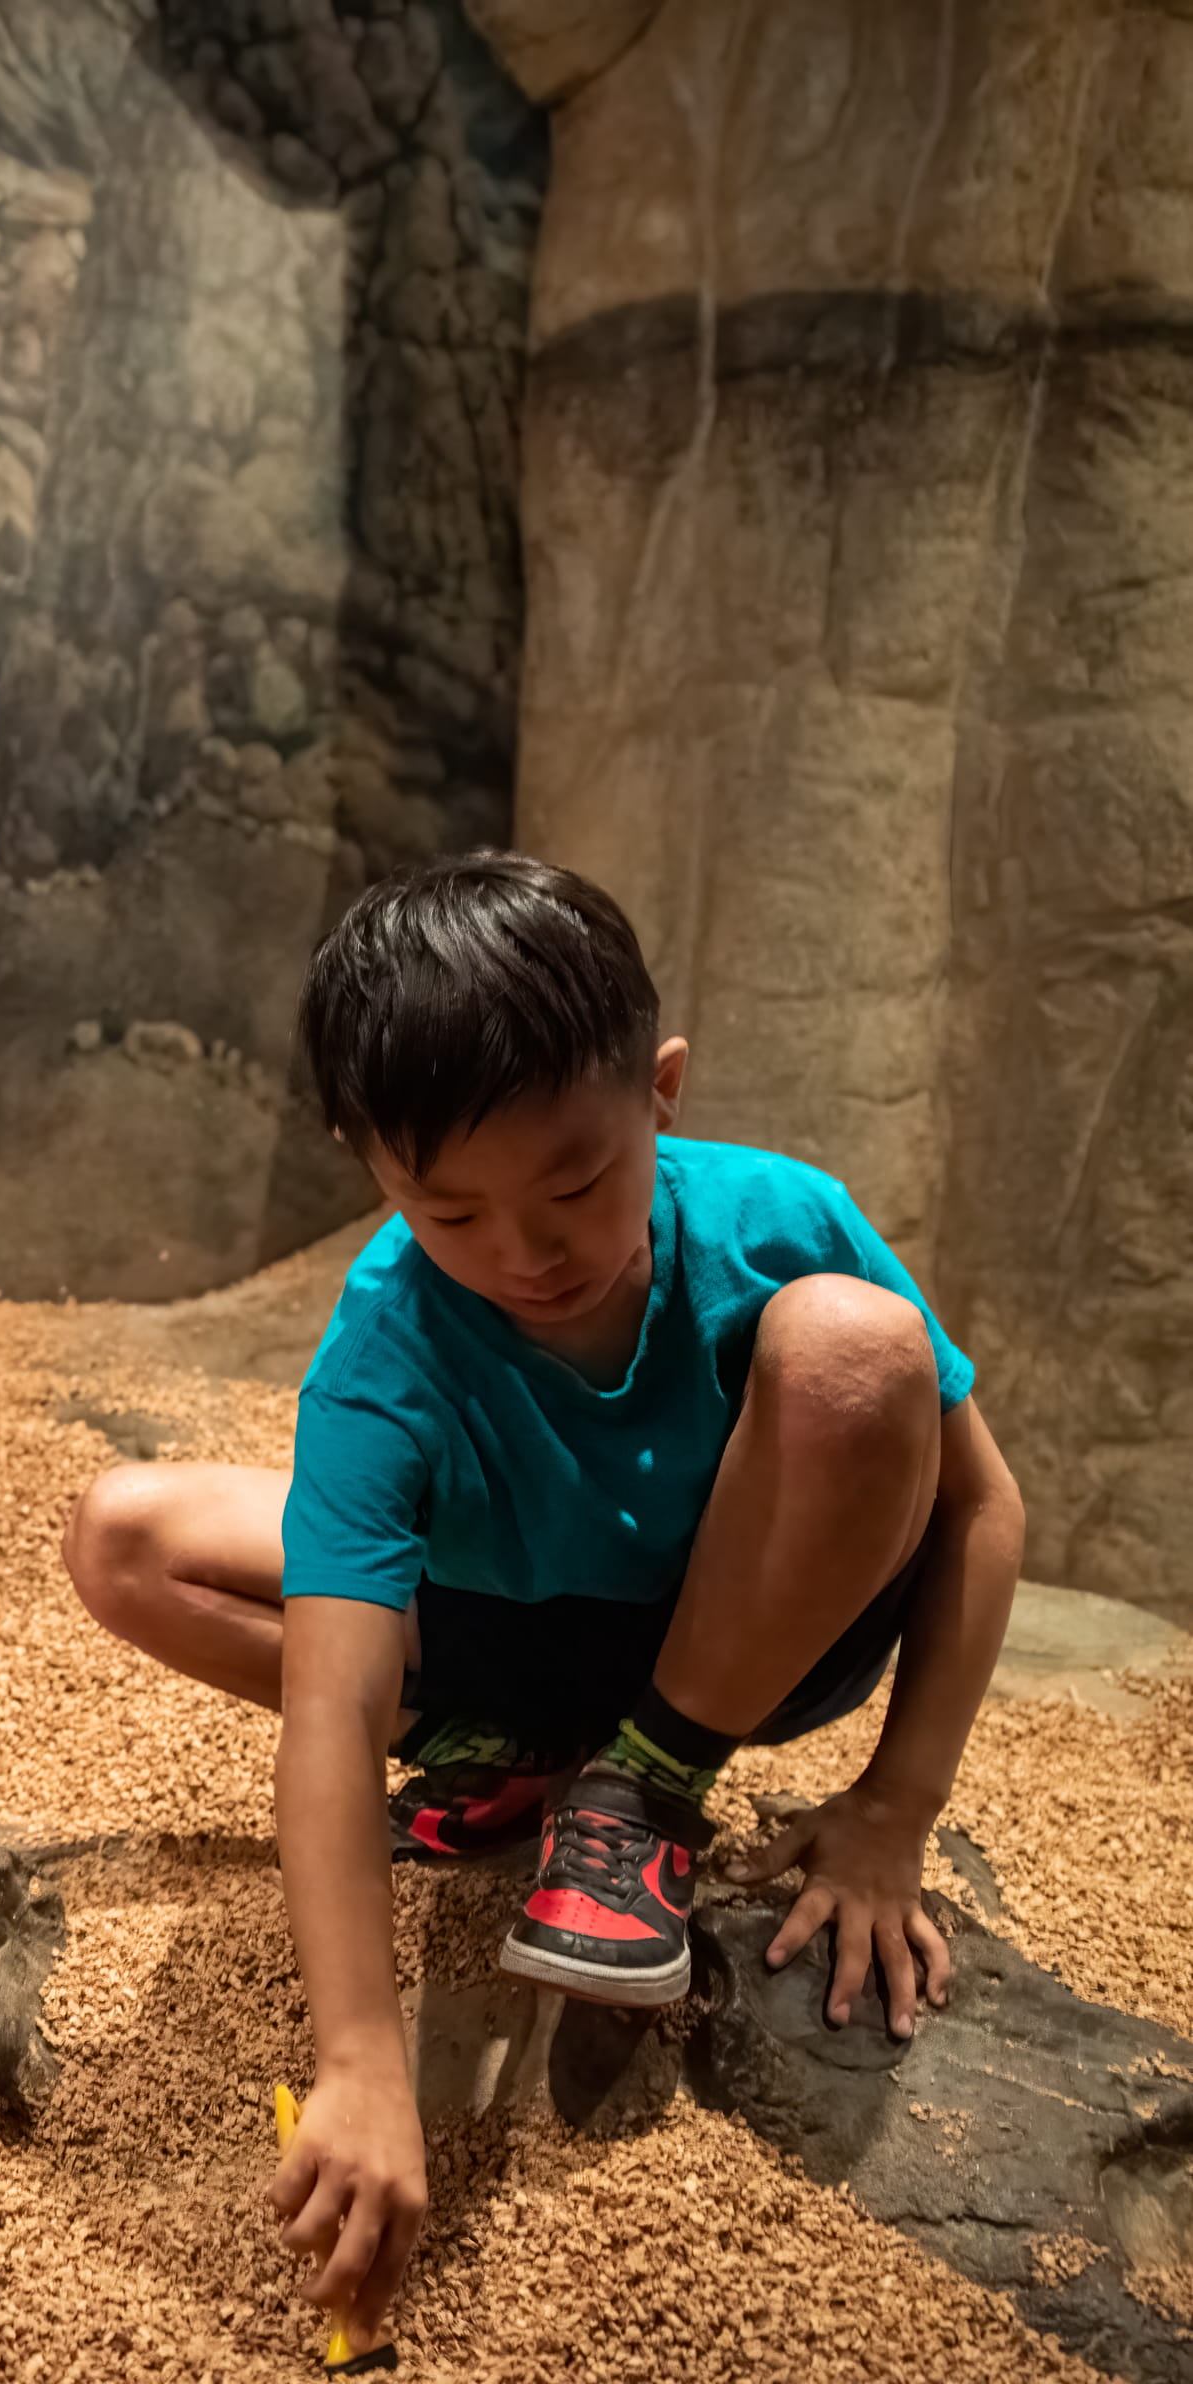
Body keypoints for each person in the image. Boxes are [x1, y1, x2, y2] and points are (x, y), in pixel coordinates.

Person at [63, 852, 1023, 2346]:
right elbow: (329, 1711)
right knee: (123, 1537)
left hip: (762, 1638)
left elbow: (982, 1507)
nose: (526, 1251)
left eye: (576, 1179)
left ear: (663, 1089)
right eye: (449, 1213)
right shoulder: (387, 1340)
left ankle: (643, 1786)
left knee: (858, 1347)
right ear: (370, 1168)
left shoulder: (782, 1216)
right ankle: (520, 1760)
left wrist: (895, 1808)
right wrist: (363, 2062)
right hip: (519, 1644)